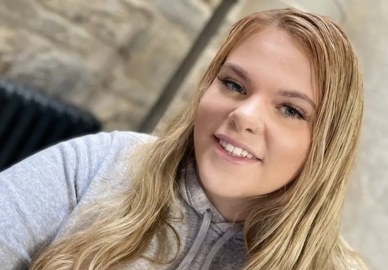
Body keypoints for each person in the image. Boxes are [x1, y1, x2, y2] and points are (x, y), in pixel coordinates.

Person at [0, 8, 366, 270]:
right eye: (234, 84)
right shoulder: (100, 162)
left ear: (326, 145)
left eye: (290, 110)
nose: (244, 115)